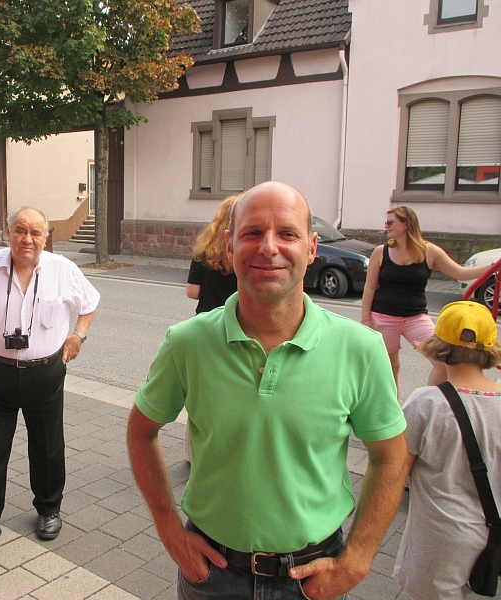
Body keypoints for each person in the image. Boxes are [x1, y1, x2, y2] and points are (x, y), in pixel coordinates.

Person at [127, 181, 408, 600]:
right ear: (229, 246)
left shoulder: (360, 349)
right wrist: (169, 529)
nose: (269, 247)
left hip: (313, 580)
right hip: (212, 577)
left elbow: (391, 457)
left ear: (311, 248)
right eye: (253, 232)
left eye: (288, 233)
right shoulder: (187, 342)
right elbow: (141, 431)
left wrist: (358, 558)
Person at [0, 206, 99, 559]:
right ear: (8, 233)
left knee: (48, 445)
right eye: (21, 230)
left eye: (36, 232)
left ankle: (49, 510)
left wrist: (78, 335)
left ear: (46, 237)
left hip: (45, 372)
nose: (28, 239)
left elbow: (90, 302)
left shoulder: (62, 269)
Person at [394, 300, 501, 600]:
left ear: (438, 346)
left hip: (439, 541)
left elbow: (396, 468)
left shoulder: (427, 403)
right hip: (491, 534)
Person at [361, 206, 490, 391]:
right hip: (383, 317)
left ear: (407, 224)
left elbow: (460, 273)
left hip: (416, 317)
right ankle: (393, 407)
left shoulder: (429, 251)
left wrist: (492, 267)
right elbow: (370, 287)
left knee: (443, 362)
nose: (386, 226)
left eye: (390, 222)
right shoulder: (381, 252)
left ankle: (427, 401)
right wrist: (365, 319)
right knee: (391, 367)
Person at [184, 195, 239, 462]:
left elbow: (192, 292)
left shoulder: (204, 250)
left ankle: (193, 453)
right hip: (237, 326)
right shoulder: (242, 251)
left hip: (206, 326)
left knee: (202, 391)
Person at [186, 195, 239, 314]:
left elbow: (192, 292)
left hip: (206, 318)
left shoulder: (203, 251)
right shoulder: (244, 253)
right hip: (235, 317)